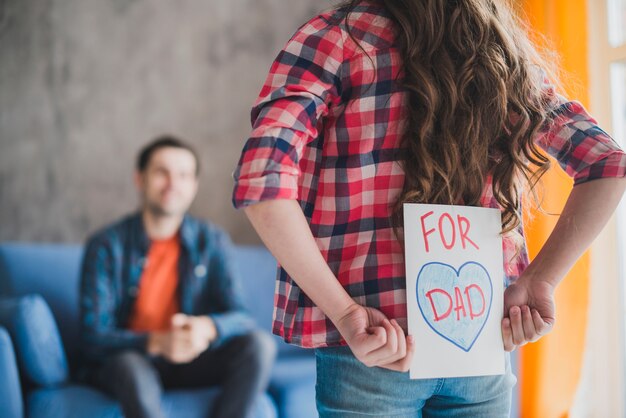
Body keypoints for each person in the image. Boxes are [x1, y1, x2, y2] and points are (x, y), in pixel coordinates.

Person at [232, 1, 626, 416]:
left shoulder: (334, 38)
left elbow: (262, 177)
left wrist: (345, 312)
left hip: (375, 346)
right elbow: (608, 165)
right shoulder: (499, 50)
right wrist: (540, 281)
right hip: (478, 343)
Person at [80, 136, 276, 418]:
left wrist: (206, 328)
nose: (173, 183)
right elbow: (93, 336)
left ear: (194, 186)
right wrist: (158, 342)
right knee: (129, 366)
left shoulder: (212, 241)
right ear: (140, 179)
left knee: (259, 346)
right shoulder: (106, 245)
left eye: (184, 175)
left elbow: (241, 316)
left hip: (193, 358)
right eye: (162, 172)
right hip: (133, 359)